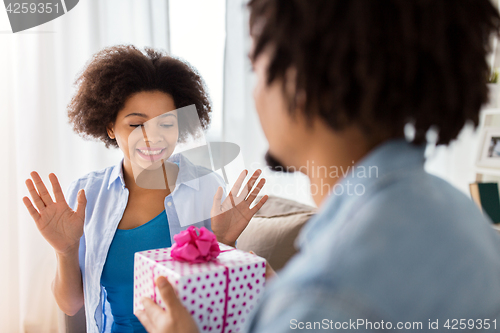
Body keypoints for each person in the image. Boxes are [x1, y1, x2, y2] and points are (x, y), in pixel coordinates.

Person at [135, 0, 500, 332]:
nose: (254, 94)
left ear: (301, 83)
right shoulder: (463, 215)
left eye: (256, 71)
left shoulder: (318, 297)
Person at [22, 45, 268, 333]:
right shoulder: (88, 195)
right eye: (137, 124)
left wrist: (224, 242)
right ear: (111, 127)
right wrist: (66, 250)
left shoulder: (206, 188)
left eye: (167, 123)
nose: (153, 137)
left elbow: (221, 299)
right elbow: (70, 305)